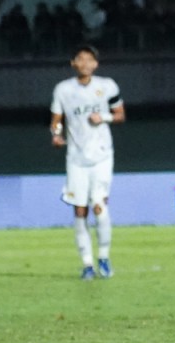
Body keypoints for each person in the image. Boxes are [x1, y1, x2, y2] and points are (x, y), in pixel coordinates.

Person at [50, 44, 125, 280]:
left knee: (99, 206)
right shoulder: (63, 90)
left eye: (89, 59)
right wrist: (56, 134)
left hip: (102, 155)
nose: (85, 63)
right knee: (80, 211)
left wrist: (102, 117)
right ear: (73, 63)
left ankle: (103, 257)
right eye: (80, 59)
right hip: (76, 159)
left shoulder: (107, 85)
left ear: (96, 64)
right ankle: (87, 265)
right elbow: (56, 120)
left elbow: (120, 115)